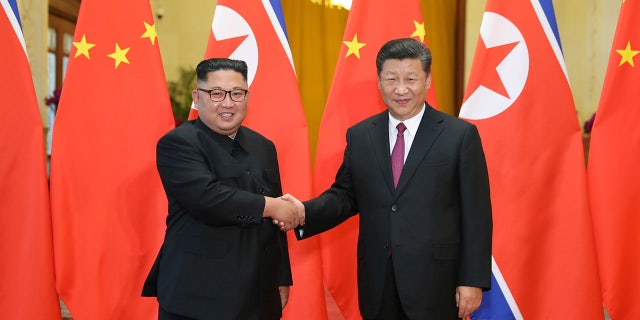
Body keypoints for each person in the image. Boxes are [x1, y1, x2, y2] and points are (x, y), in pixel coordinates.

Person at [283, 38, 492, 319]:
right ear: (379, 81)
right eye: (391, 78)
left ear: (428, 80)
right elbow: (345, 196)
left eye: (411, 78)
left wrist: (472, 279)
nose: (401, 89)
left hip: (437, 282)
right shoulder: (361, 135)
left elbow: (476, 214)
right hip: (377, 280)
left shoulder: (459, 136)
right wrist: (302, 212)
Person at [142, 58, 301, 320]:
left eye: (237, 93)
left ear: (247, 96)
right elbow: (209, 199)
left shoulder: (264, 146)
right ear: (197, 96)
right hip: (198, 296)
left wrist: (281, 276)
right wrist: (272, 206)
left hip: (259, 295)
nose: (227, 103)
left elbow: (276, 224)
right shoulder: (178, 143)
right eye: (216, 93)